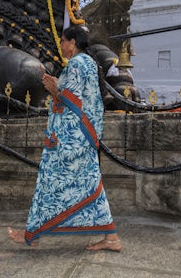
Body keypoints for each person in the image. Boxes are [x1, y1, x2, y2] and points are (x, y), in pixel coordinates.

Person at [8, 25, 121, 251]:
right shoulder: (89, 63)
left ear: (72, 42)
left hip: (70, 138)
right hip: (83, 136)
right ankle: (111, 238)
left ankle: (33, 234)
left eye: (63, 41)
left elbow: (70, 99)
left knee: (50, 181)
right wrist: (58, 89)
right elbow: (85, 99)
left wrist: (53, 89)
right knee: (89, 184)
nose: (61, 45)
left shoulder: (77, 64)